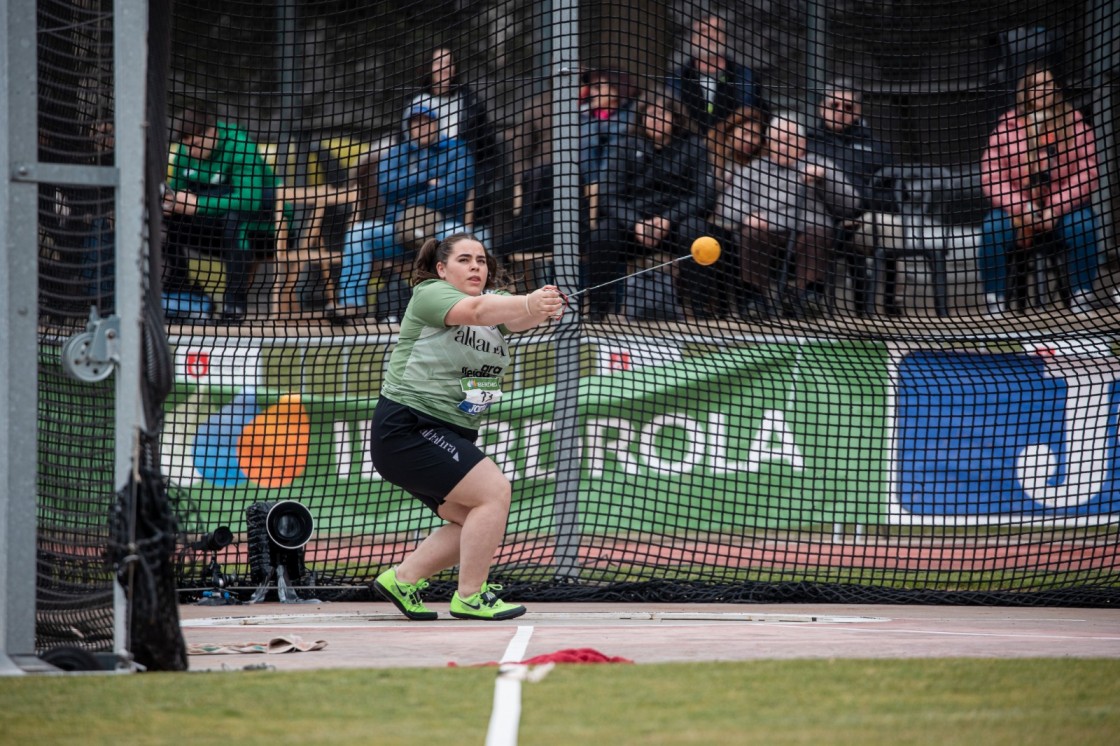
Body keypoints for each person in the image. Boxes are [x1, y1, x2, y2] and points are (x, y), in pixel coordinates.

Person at [369, 233, 564, 621]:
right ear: (442, 269)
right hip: (408, 426)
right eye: (464, 260)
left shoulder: (492, 311)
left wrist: (540, 308)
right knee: (494, 492)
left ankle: (403, 579)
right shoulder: (430, 294)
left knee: (472, 518)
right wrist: (527, 301)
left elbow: (513, 318)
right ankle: (471, 596)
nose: (476, 266)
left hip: (449, 431)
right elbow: (477, 310)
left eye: (481, 260)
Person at [711, 112, 863, 318]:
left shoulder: (819, 165)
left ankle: (808, 297)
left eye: (788, 140)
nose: (782, 147)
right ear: (768, 144)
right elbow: (727, 205)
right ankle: (755, 300)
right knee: (750, 234)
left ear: (802, 142)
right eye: (776, 141)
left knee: (817, 235)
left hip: (807, 228)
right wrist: (747, 217)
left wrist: (825, 180)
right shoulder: (753, 169)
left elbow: (851, 204)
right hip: (766, 230)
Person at [336, 104, 478, 322]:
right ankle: (351, 305)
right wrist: (425, 181)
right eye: (415, 123)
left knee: (462, 237)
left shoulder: (457, 150)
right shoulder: (397, 152)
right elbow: (386, 188)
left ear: (436, 124)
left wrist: (407, 196)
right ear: (408, 127)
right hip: (399, 229)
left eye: (426, 122)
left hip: (441, 232)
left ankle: (463, 305)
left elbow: (455, 192)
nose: (421, 127)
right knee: (358, 233)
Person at [979, 64, 1101, 315]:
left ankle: (1081, 296)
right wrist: (1022, 207)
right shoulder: (1006, 129)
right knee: (992, 229)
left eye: (1047, 84)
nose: (1042, 90)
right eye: (1035, 85)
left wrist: (1056, 207)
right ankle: (996, 301)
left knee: (1084, 227)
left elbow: (1088, 173)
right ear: (1025, 92)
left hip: (1064, 209)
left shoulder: (1076, 125)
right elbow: (992, 177)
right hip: (1017, 209)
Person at [586, 88, 717, 320]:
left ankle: (699, 306)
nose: (655, 120)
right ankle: (598, 309)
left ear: (675, 118)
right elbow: (608, 195)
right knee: (603, 235)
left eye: (662, 114)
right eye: (650, 114)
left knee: (697, 232)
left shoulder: (694, 146)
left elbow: (704, 195)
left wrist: (668, 219)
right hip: (632, 227)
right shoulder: (624, 146)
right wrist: (635, 223)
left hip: (676, 224)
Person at [162, 104, 278, 324]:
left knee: (235, 218)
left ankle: (234, 307)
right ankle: (183, 293)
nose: (190, 151)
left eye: (195, 144)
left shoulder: (240, 145)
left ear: (212, 131)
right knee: (163, 220)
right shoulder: (184, 155)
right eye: (186, 146)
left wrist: (198, 205)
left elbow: (250, 200)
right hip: (215, 230)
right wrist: (171, 202)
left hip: (265, 230)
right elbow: (176, 192)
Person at [806, 79, 894, 314]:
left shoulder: (877, 147)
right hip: (816, 217)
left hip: (863, 219)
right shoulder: (806, 143)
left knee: (890, 226)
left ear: (858, 112)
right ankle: (809, 297)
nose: (840, 113)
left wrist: (860, 205)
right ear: (821, 107)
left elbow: (893, 197)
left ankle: (887, 302)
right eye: (834, 105)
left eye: (848, 108)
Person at [409, 47, 501, 229]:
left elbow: (488, 150)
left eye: (448, 63)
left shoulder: (470, 102)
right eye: (438, 62)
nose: (443, 68)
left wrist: (479, 183)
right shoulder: (415, 101)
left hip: (461, 177)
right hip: (423, 180)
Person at [701, 105, 768, 318]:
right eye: (745, 133)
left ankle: (749, 302)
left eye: (756, 136)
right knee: (718, 239)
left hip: (749, 223)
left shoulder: (762, 162)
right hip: (712, 220)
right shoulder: (710, 154)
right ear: (731, 131)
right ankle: (718, 305)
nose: (751, 140)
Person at [667, 14, 764, 135]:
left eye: (716, 30)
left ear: (725, 37)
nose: (709, 35)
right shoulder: (676, 78)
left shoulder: (746, 76)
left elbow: (755, 117)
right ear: (692, 39)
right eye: (703, 31)